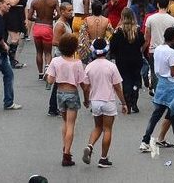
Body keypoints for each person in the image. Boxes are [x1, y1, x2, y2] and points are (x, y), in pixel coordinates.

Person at [138, 27, 174, 155]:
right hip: (170, 85)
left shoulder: (158, 49)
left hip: (161, 83)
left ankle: (145, 141)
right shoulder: (171, 52)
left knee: (157, 115)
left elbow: (160, 69)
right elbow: (173, 72)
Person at [81, 38, 126, 169]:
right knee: (107, 129)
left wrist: (86, 100)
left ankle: (89, 146)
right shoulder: (111, 66)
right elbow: (117, 87)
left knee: (97, 127)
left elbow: (86, 87)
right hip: (108, 101)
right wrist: (123, 103)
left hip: (95, 102)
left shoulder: (89, 67)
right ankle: (103, 158)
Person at [45, 33, 86, 166]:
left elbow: (50, 80)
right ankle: (67, 154)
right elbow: (83, 83)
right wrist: (87, 98)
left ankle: (65, 146)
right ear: (74, 48)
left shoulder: (55, 61)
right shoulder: (77, 63)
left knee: (65, 122)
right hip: (72, 93)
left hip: (60, 93)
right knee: (71, 125)